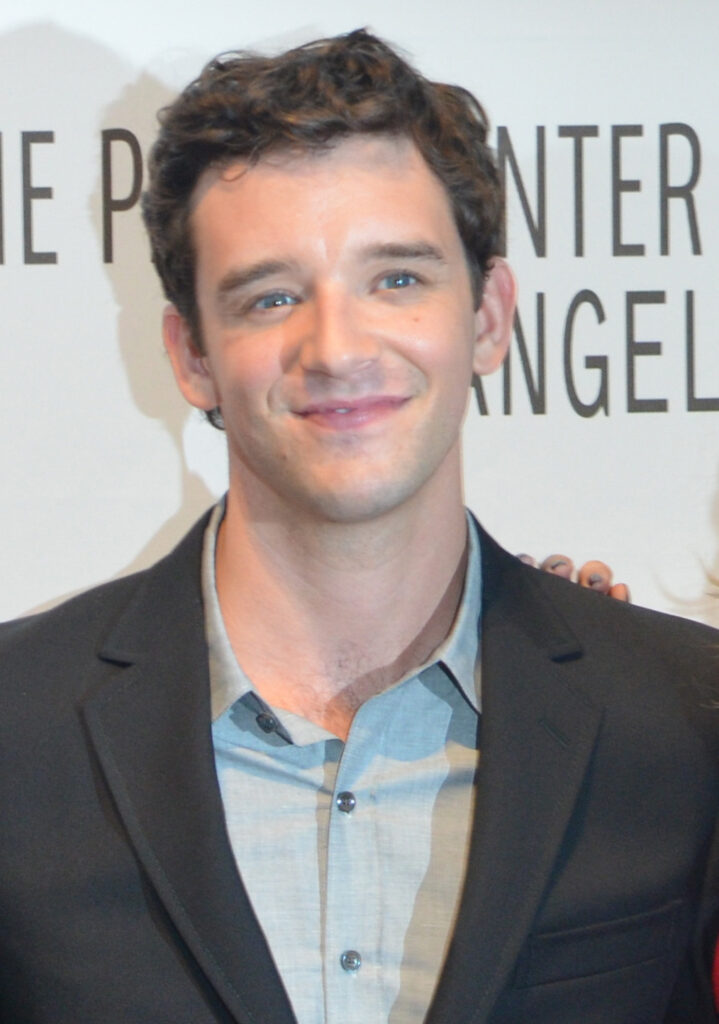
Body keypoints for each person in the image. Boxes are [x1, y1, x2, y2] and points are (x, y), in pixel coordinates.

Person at [1, 29, 718, 1024]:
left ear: (488, 316)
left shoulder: (686, 721)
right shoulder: (16, 731)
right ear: (192, 355)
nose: (336, 348)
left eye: (396, 279)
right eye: (271, 296)